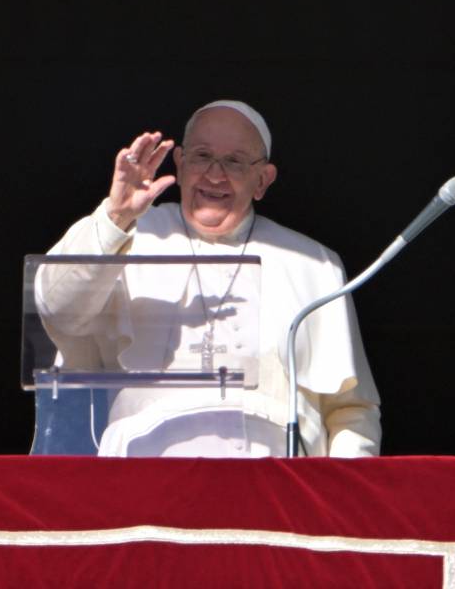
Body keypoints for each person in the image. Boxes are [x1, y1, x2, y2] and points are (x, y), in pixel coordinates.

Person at [37, 100, 380, 457]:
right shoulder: (126, 233)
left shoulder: (314, 264)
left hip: (275, 490)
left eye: (234, 161)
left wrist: (334, 499)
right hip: (144, 481)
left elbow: (350, 411)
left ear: (263, 180)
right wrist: (116, 218)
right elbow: (57, 308)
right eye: (202, 156)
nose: (215, 175)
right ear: (181, 165)